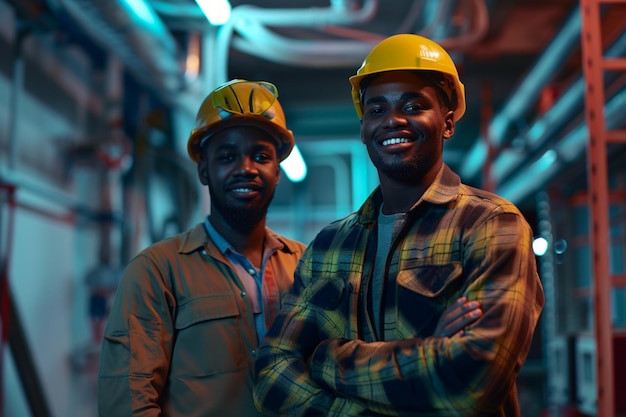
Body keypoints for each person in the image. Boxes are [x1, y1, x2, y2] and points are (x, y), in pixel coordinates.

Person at [254, 34, 545, 417]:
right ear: (363, 129)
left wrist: (325, 359)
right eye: (377, 109)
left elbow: (472, 377)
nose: (393, 119)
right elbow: (271, 376)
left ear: (448, 122)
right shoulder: (329, 245)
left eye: (414, 105)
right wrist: (428, 353)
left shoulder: (491, 225)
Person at [97, 79, 308, 417]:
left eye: (261, 156)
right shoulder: (157, 272)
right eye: (227, 156)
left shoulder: (307, 266)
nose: (246, 168)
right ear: (204, 170)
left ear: (277, 171)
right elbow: (127, 402)